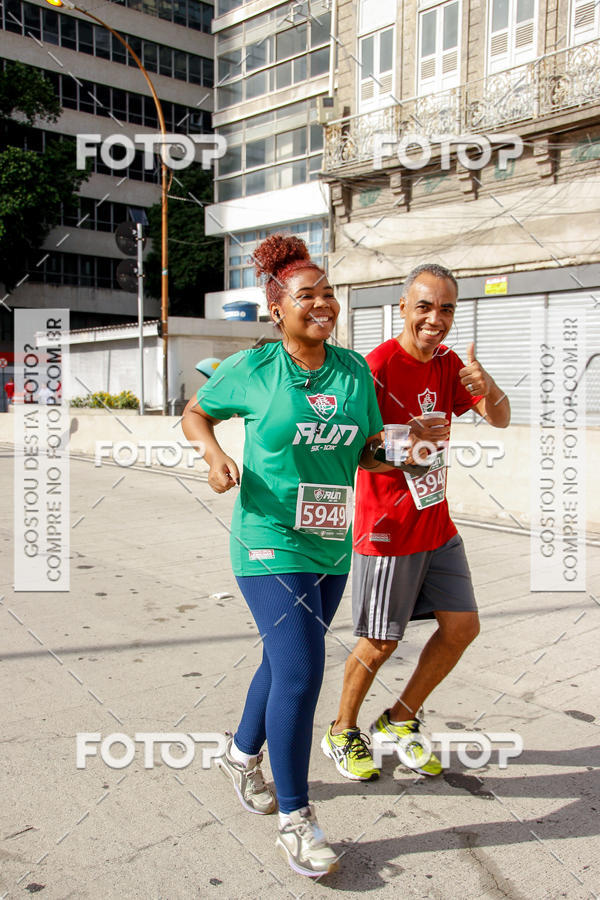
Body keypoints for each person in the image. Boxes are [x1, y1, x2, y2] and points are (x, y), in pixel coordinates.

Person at [181, 235, 387, 878]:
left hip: (329, 543)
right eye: (308, 296)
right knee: (301, 670)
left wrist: (411, 452)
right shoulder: (255, 368)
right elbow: (195, 413)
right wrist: (214, 456)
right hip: (267, 538)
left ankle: (242, 757)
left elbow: (368, 451)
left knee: (281, 658)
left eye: (328, 293)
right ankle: (298, 821)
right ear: (278, 310)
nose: (323, 303)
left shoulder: (354, 371)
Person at [321, 263, 511, 782]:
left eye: (446, 308)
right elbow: (355, 452)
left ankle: (399, 720)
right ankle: (342, 730)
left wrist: (486, 383)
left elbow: (500, 417)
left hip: (436, 522)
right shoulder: (373, 367)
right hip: (387, 527)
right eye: (424, 306)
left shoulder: (450, 364)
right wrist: (410, 443)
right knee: (380, 641)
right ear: (402, 307)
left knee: (462, 626)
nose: (435, 318)